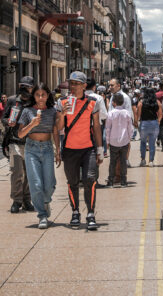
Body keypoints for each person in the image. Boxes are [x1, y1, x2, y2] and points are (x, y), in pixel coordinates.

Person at [56, 71, 104, 231]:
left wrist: (100, 149)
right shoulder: (62, 102)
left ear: (84, 86)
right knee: (72, 182)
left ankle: (90, 214)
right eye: (71, 83)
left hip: (88, 149)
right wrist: (62, 114)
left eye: (77, 84)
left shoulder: (93, 102)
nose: (73, 86)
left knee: (90, 180)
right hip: (70, 149)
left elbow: (96, 127)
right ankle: (75, 212)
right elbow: (59, 128)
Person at [14, 83, 60, 229]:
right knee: (36, 184)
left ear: (48, 96)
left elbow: (56, 131)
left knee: (49, 184)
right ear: (33, 96)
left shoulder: (52, 111)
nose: (40, 98)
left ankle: (45, 202)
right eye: (37, 95)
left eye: (43, 95)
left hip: (47, 148)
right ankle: (42, 215)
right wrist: (32, 124)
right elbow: (20, 134)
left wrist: (58, 151)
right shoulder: (27, 111)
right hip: (31, 149)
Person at [3, 77, 36, 213]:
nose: (25, 89)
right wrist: (8, 122)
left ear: (32, 88)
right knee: (16, 172)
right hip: (14, 141)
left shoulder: (35, 102)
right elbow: (3, 118)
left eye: (27, 87)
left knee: (29, 173)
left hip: (31, 142)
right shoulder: (12, 100)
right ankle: (16, 200)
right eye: (23, 86)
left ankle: (26, 199)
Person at [105, 92, 133, 187]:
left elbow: (108, 129)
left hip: (113, 141)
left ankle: (110, 181)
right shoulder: (127, 113)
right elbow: (130, 128)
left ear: (113, 102)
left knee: (112, 162)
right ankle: (123, 181)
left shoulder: (111, 114)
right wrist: (129, 138)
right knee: (123, 161)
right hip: (124, 140)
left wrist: (107, 141)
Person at [136, 88, 162, 167]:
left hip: (144, 123)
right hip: (154, 123)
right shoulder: (157, 102)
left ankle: (143, 160)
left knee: (143, 142)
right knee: (152, 143)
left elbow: (138, 115)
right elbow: (160, 115)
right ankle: (151, 161)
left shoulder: (141, 102)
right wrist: (158, 121)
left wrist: (136, 122)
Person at [85, 78, 108, 158]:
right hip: (96, 128)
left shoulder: (79, 97)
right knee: (95, 152)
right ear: (94, 87)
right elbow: (104, 115)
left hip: (81, 128)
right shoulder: (98, 98)